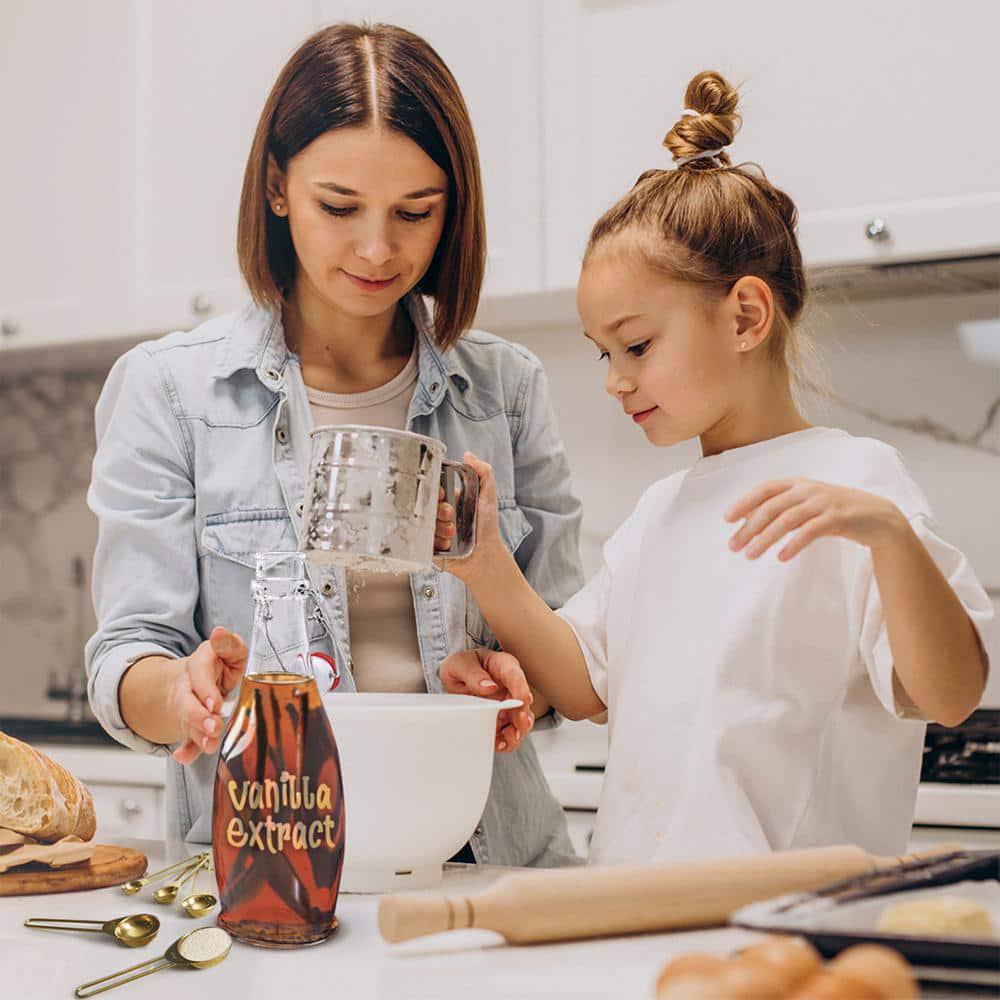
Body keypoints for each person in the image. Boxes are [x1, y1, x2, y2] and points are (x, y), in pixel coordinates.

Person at [437, 71, 993, 865]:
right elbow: (584, 685)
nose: (614, 379)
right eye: (604, 352)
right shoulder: (663, 511)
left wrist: (893, 539)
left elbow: (951, 693)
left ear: (745, 316)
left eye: (636, 345)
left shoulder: (860, 484)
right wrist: (485, 563)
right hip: (636, 925)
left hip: (785, 933)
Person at [86, 22, 582, 867]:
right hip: (271, 867)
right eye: (339, 206)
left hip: (487, 857)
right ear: (277, 187)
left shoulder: (506, 388)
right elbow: (123, 662)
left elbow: (571, 660)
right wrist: (186, 692)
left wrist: (516, 692)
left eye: (416, 213)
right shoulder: (171, 391)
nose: (378, 249)